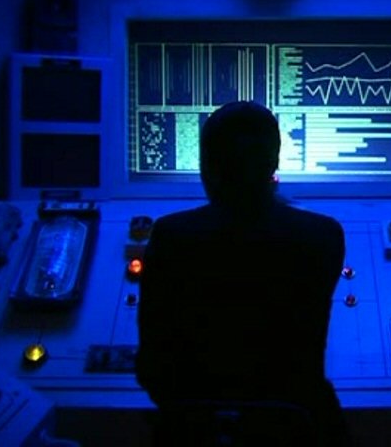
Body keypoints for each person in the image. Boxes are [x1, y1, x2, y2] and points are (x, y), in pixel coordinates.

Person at [136, 101, 348, 446]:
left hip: (191, 432)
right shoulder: (323, 235)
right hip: (298, 430)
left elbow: (151, 371)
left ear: (206, 167)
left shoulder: (171, 236)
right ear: (274, 163)